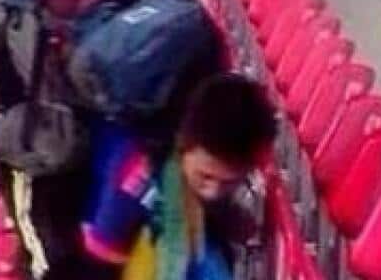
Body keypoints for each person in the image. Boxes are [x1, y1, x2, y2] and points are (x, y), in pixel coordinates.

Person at [80, 74, 275, 278]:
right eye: (205, 176)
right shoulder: (137, 179)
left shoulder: (190, 160)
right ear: (184, 145)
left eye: (230, 182)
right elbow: (99, 254)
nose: (213, 192)